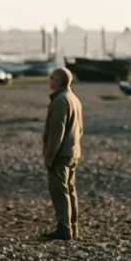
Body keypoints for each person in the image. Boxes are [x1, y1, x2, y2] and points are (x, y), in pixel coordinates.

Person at [42, 67, 83, 240]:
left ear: (58, 81)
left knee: (59, 191)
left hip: (61, 154)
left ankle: (64, 229)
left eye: (51, 77)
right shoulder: (74, 99)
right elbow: (80, 129)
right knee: (70, 190)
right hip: (72, 152)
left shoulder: (60, 101)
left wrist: (49, 156)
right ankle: (73, 228)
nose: (49, 80)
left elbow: (56, 132)